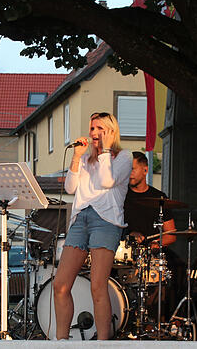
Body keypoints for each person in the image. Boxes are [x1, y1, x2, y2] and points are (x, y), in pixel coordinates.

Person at [53, 112, 132, 340]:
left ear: (111, 131)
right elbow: (70, 188)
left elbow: (107, 181)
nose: (94, 133)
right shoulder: (86, 160)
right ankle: (61, 342)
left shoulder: (123, 157)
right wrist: (77, 157)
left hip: (105, 221)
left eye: (100, 128)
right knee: (60, 285)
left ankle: (103, 342)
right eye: (92, 128)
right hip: (80, 219)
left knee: (98, 285)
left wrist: (106, 150)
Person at [123, 151, 176, 247]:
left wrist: (157, 244)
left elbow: (171, 234)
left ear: (145, 170)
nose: (129, 174)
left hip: (150, 255)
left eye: (133, 169)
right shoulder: (120, 195)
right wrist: (129, 234)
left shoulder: (159, 197)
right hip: (124, 253)